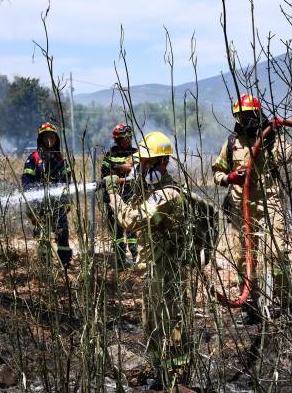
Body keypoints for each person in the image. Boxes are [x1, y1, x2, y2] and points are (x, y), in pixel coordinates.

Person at [103, 131, 190, 390]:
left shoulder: (167, 195)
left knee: (171, 325)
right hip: (154, 270)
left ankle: (177, 378)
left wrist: (113, 195)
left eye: (146, 164)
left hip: (167, 272)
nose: (141, 168)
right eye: (139, 164)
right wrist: (130, 179)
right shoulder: (153, 189)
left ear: (162, 163)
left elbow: (130, 220)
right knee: (150, 323)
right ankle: (161, 374)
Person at [212, 94, 292, 325]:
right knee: (243, 259)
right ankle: (250, 307)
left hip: (270, 205)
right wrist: (229, 178)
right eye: (243, 116)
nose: (247, 119)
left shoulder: (269, 137)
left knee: (277, 253)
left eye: (251, 115)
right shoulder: (231, 143)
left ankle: (286, 303)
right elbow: (217, 171)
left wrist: (272, 135)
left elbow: (289, 156)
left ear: (258, 114)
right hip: (241, 208)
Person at [22, 122, 73, 268]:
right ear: (41, 139)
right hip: (40, 205)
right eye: (46, 137)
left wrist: (67, 200)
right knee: (43, 235)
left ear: (56, 139)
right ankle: (46, 265)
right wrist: (32, 205)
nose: (50, 139)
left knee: (62, 234)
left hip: (59, 205)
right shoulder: (34, 158)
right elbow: (27, 182)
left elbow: (67, 180)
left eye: (52, 136)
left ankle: (65, 263)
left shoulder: (61, 159)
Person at [101, 122, 139, 269]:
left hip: (131, 196)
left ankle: (136, 258)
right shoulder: (109, 155)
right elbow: (105, 176)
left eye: (129, 137)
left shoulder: (136, 152)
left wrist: (117, 170)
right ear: (117, 139)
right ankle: (120, 262)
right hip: (113, 197)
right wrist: (122, 171)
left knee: (131, 228)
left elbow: (135, 171)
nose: (128, 140)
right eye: (124, 137)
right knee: (116, 232)